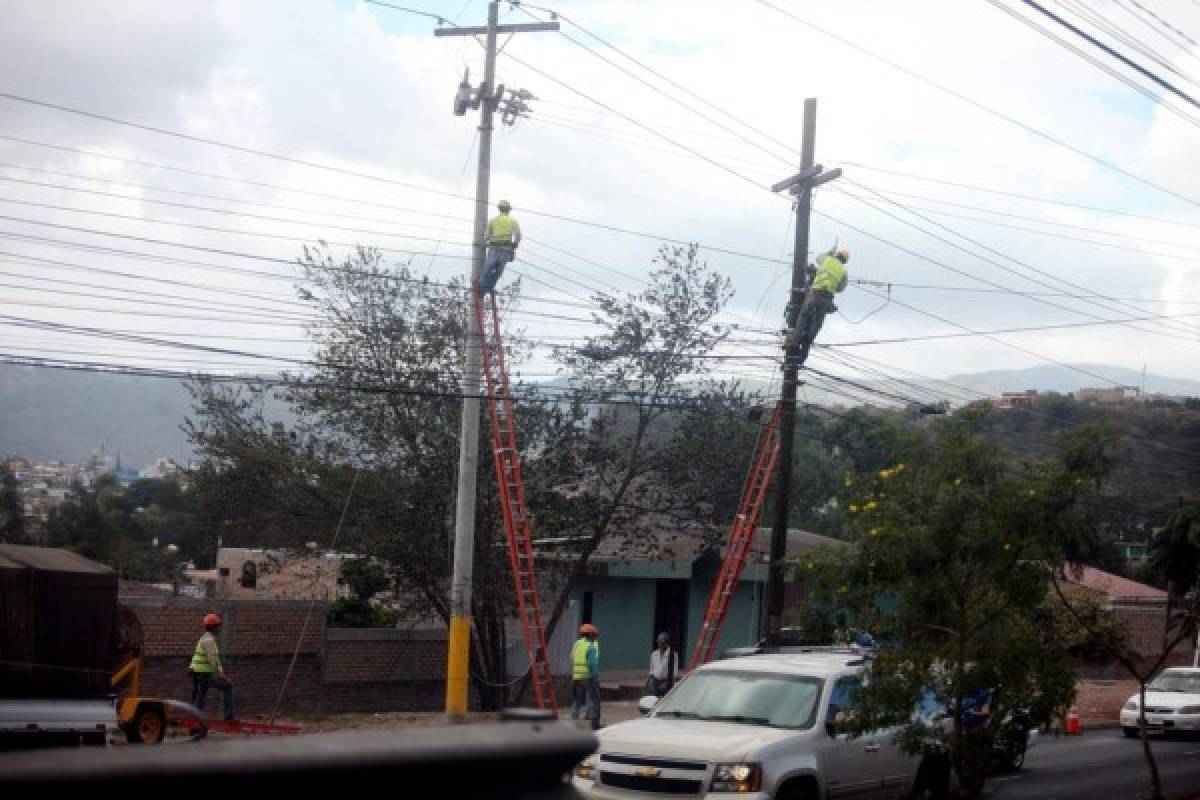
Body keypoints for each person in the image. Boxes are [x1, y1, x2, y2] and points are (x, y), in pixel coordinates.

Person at [788, 247, 849, 354]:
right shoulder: (844, 272)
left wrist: (830, 252)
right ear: (845, 261)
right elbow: (840, 288)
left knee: (803, 316)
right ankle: (806, 344)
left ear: (837, 255)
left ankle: (795, 343)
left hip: (814, 294)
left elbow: (818, 258)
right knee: (817, 325)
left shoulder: (826, 259)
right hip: (827, 299)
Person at [189, 612, 235, 721]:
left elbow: (215, 659)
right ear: (213, 627)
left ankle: (194, 723)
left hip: (198, 673)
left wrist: (221, 671)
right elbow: (212, 660)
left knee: (201, 696)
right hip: (203, 673)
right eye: (218, 626)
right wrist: (222, 675)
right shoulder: (209, 640)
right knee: (227, 686)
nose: (219, 628)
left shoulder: (206, 638)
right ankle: (228, 716)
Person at [479, 199, 521, 294]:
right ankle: (489, 288)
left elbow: (486, 236)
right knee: (498, 272)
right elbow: (518, 235)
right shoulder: (512, 221)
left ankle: (481, 289)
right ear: (508, 210)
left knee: (487, 269)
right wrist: (515, 243)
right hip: (506, 250)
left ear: (499, 209)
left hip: (493, 248)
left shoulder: (493, 220)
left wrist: (485, 243)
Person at [571, 622, 601, 730]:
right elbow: (593, 664)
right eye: (594, 635)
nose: (595, 636)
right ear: (591, 635)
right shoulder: (591, 646)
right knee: (594, 700)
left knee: (577, 701)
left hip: (576, 678)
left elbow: (571, 659)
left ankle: (573, 724)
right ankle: (595, 725)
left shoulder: (577, 644)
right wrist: (595, 678)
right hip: (588, 677)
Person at [647, 632, 678, 697]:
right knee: (652, 695)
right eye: (659, 643)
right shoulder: (654, 654)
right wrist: (650, 679)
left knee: (664, 694)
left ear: (666, 644)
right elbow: (652, 670)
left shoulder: (673, 655)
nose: (660, 645)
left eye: (662, 643)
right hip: (655, 680)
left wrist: (668, 682)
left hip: (666, 680)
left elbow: (675, 672)